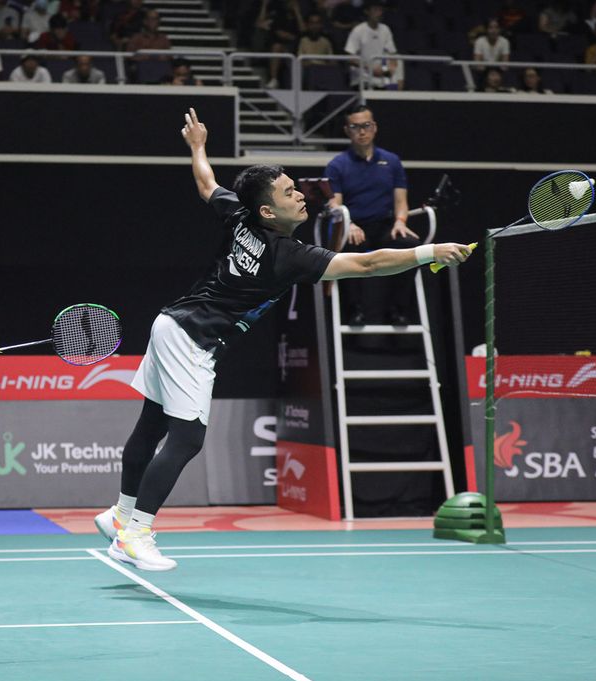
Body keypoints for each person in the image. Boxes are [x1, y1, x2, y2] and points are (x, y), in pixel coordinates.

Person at [93, 108, 471, 571]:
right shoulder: (290, 256)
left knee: (153, 425)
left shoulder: (239, 215)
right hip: (192, 337)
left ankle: (121, 514)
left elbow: (207, 184)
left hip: (171, 323)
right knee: (187, 437)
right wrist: (430, 250)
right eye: (290, 192)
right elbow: (369, 264)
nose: (302, 195)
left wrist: (197, 146)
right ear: (269, 211)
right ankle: (134, 533)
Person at [325, 104, 418, 326]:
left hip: (384, 225)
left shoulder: (392, 161)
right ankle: (355, 310)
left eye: (366, 126)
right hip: (354, 227)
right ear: (347, 131)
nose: (362, 132)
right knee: (348, 248)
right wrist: (349, 224)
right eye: (355, 127)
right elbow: (334, 205)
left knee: (409, 244)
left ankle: (397, 309)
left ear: (374, 127)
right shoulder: (337, 166)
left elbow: (401, 202)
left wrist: (400, 221)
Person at [344, 1, 402, 90]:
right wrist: (371, 69)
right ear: (367, 12)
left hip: (382, 80)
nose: (379, 13)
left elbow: (392, 54)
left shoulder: (385, 29)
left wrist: (390, 68)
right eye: (375, 10)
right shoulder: (358, 30)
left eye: (381, 10)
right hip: (362, 80)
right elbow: (350, 58)